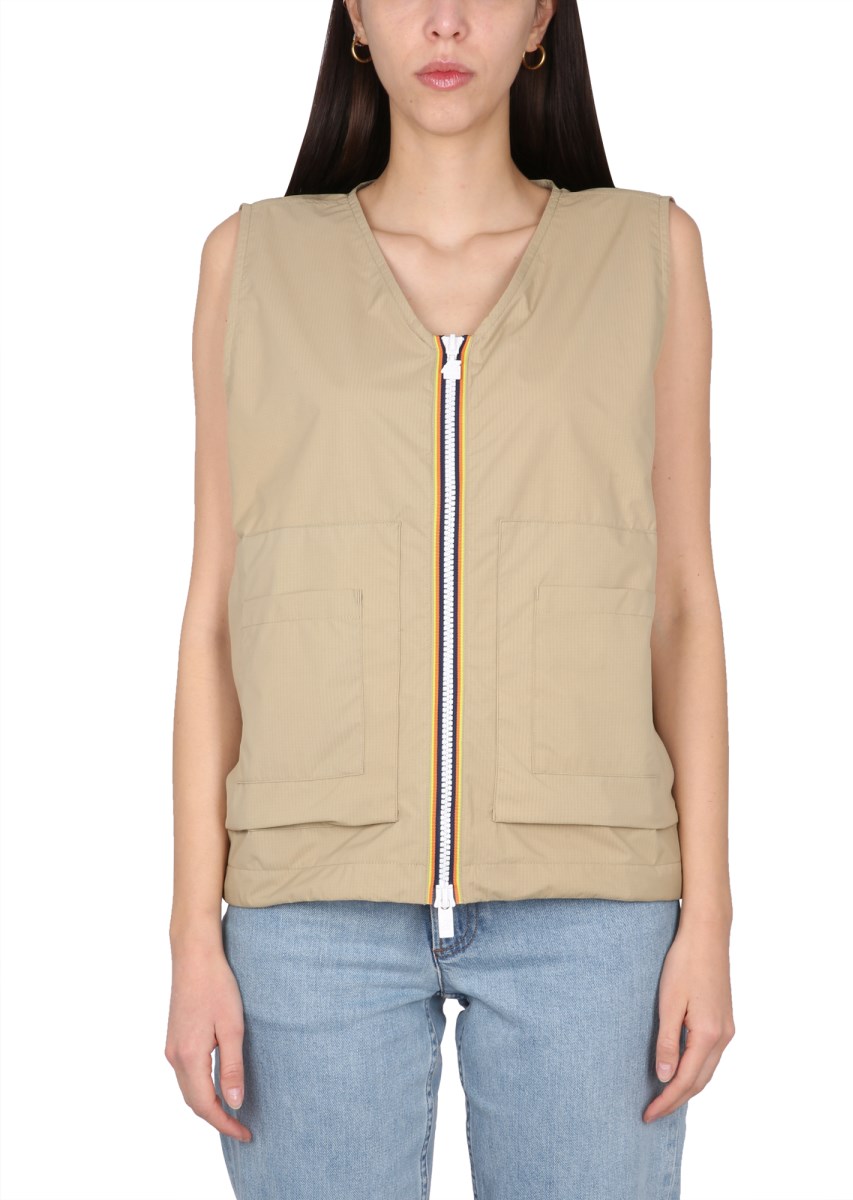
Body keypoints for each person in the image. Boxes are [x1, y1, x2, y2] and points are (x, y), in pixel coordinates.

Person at [164, 1, 735, 1196]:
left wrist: (709, 923)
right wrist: (191, 938)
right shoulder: (250, 261)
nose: (443, 18)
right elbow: (215, 610)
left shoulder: (649, 253)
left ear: (540, 21)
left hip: (594, 908)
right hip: (308, 912)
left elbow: (683, 600)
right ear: (355, 20)